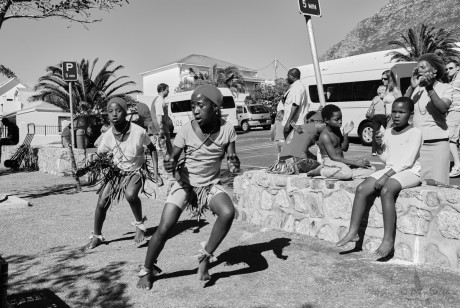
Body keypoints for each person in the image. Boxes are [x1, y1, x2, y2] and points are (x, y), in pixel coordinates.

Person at [136, 85, 240, 290]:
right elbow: (173, 156)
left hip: (209, 186)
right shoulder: (186, 129)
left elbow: (232, 156)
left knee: (228, 212)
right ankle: (147, 269)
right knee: (164, 228)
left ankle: (205, 256)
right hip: (185, 185)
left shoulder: (227, 129)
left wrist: (234, 162)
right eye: (193, 106)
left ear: (215, 107)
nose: (195, 110)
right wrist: (169, 163)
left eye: (200, 105)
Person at [337, 97, 423, 258]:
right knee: (361, 188)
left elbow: (407, 162)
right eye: (394, 111)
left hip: (411, 172)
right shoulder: (389, 131)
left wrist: (384, 176)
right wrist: (381, 147)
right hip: (391, 169)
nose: (397, 115)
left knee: (386, 190)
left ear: (410, 115)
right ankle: (353, 231)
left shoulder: (415, 132)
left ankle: (388, 239)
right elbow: (387, 159)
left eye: (402, 112)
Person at [84, 97, 163, 250]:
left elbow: (152, 149)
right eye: (110, 111)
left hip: (136, 170)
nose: (114, 114)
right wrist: (87, 168)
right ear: (107, 115)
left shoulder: (139, 132)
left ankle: (140, 225)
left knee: (130, 195)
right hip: (117, 171)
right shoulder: (107, 136)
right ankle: (97, 236)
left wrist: (157, 173)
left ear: (125, 112)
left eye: (118, 110)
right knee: (102, 202)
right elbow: (99, 156)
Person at [404, 53, 453, 184]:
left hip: (438, 144)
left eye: (423, 67)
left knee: (439, 185)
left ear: (434, 70)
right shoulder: (416, 90)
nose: (419, 70)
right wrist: (411, 88)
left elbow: (443, 108)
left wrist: (430, 89)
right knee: (419, 184)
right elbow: (402, 107)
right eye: (417, 68)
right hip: (418, 144)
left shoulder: (445, 87)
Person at [314, 104, 375, 180]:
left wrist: (345, 134)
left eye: (341, 118)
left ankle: (342, 172)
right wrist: (356, 163)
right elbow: (334, 157)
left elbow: (344, 148)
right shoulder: (325, 135)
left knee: (372, 168)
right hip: (329, 163)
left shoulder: (337, 130)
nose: (340, 121)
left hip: (340, 163)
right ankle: (322, 171)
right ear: (326, 120)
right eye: (336, 119)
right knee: (347, 173)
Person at [282, 68, 309, 138]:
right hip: (294, 123)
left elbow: (295, 105)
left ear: (293, 77)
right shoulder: (296, 86)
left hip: (294, 124)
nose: (287, 78)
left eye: (288, 76)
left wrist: (288, 123)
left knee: (290, 146)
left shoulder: (297, 87)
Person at [445, 60, 460, 177]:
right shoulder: (453, 80)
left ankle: (457, 166)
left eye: (450, 68)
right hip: (453, 112)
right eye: (446, 69)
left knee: (450, 139)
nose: (448, 71)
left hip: (455, 112)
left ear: (458, 68)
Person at [153, 83, 173, 155]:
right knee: (168, 152)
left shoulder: (160, 100)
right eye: (167, 90)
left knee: (168, 151)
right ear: (162, 90)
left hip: (165, 129)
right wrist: (161, 130)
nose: (168, 92)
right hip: (164, 130)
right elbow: (159, 116)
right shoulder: (160, 100)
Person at [370, 85, 388, 156]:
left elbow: (372, 106)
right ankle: (387, 147)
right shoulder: (384, 97)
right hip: (383, 116)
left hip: (375, 116)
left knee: (375, 133)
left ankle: (374, 151)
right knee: (388, 131)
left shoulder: (375, 98)